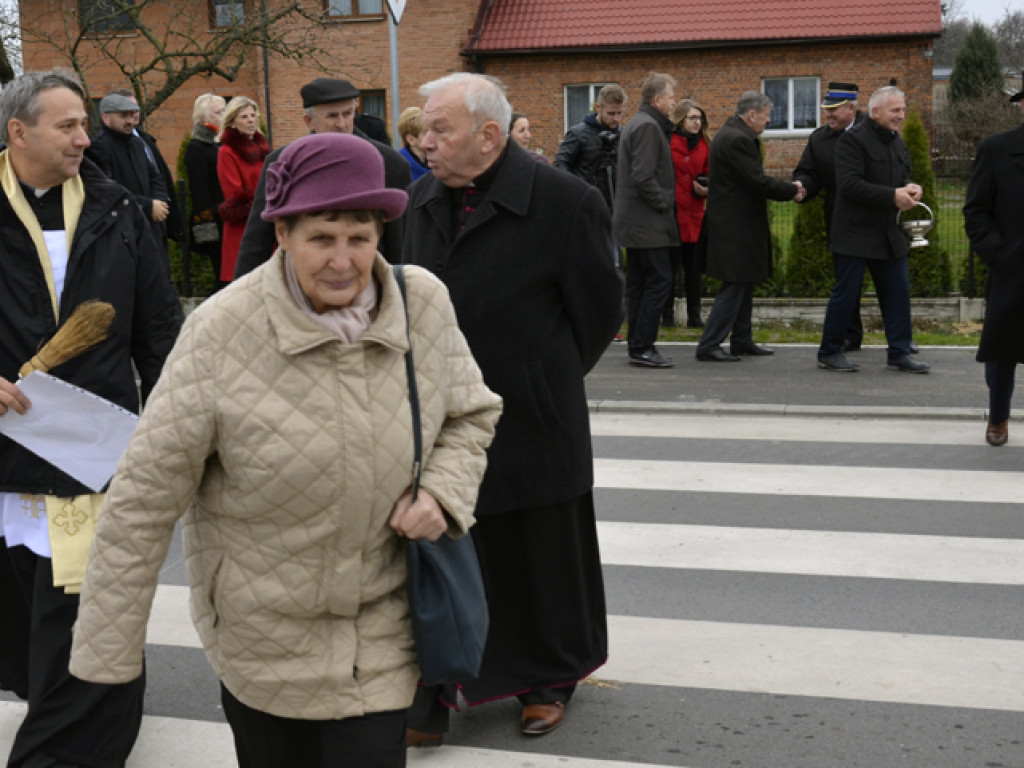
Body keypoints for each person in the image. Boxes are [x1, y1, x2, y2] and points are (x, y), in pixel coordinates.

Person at [68, 131, 502, 768]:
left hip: (383, 633)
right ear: (283, 237)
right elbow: (144, 498)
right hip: (264, 639)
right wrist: (108, 654)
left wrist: (441, 492)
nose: (342, 259)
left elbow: (472, 414)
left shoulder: (422, 304)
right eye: (321, 238)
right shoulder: (220, 331)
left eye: (360, 237)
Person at [402, 72, 622, 742]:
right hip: (440, 416)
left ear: (489, 136)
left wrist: (541, 373)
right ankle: (442, 682)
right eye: (423, 129)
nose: (424, 141)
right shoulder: (419, 200)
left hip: (532, 412)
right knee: (448, 551)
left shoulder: (566, 202)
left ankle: (548, 677)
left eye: (440, 129)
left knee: (540, 554)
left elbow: (599, 311)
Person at [0, 67, 182, 768]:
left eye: (85, 123)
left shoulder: (115, 208)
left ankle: (67, 748)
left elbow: (159, 326)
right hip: (8, 452)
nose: (85, 137)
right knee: (24, 614)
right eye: (68, 125)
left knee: (81, 612)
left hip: (89, 448)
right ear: (19, 133)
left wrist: (167, 425)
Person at [234, 78, 410, 276]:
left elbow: (399, 246)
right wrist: (240, 300)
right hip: (303, 286)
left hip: (367, 284)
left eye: (348, 113)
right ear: (309, 121)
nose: (342, 124)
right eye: (332, 116)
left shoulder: (390, 164)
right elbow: (257, 241)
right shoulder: (282, 163)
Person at [818, 85, 930, 374]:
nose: (901, 116)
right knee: (846, 294)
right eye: (896, 111)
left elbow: (903, 175)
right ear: (877, 111)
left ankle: (900, 352)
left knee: (897, 292)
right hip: (855, 232)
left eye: (903, 110)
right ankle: (830, 351)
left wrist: (911, 188)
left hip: (888, 232)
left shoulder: (896, 141)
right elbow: (850, 184)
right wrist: (892, 195)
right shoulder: (852, 141)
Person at [695, 91, 802, 362]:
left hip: (735, 222)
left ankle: (741, 340)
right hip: (735, 225)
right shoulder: (738, 140)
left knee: (743, 282)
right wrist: (792, 190)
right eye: (767, 115)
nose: (769, 121)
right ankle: (710, 343)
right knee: (735, 284)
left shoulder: (733, 134)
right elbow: (756, 181)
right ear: (752, 115)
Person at [962, 87, 1024, 446]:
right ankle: (998, 418)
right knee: (1002, 351)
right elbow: (975, 212)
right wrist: (999, 255)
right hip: (1012, 269)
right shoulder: (996, 150)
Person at [793, 82, 867, 351]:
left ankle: (900, 338)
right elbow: (809, 172)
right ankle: (851, 334)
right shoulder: (819, 138)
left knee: (889, 283)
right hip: (841, 220)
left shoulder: (873, 132)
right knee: (847, 282)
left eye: (834, 110)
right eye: (826, 110)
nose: (829, 116)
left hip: (877, 219)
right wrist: (802, 187)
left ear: (851, 108)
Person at [613, 72, 680, 368]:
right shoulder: (649, 127)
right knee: (659, 281)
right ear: (657, 99)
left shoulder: (639, 123)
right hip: (647, 222)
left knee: (640, 284)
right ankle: (643, 346)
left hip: (638, 221)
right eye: (671, 96)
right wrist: (664, 202)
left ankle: (638, 346)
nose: (674, 101)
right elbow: (643, 176)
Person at [85, 91, 171, 267]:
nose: (130, 121)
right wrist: (148, 206)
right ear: (106, 118)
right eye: (123, 116)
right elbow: (107, 191)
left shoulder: (138, 143)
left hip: (150, 227)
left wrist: (159, 201)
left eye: (132, 115)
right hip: (122, 231)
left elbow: (156, 177)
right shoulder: (98, 148)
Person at [217, 95, 271, 283]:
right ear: (232, 123)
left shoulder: (263, 147)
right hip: (244, 225)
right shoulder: (227, 152)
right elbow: (234, 194)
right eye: (244, 117)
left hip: (267, 220)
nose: (250, 120)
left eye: (252, 115)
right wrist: (263, 205)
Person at [667, 99, 709, 328]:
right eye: (693, 118)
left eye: (700, 118)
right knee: (669, 271)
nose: (697, 122)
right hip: (671, 215)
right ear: (681, 119)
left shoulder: (704, 144)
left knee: (694, 271)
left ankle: (695, 316)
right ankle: (667, 317)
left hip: (694, 214)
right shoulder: (668, 141)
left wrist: (707, 186)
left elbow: (711, 172)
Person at [554, 83, 626, 214]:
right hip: (585, 208)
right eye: (611, 113)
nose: (616, 118)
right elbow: (560, 164)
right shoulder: (578, 134)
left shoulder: (623, 135)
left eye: (619, 113)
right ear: (598, 108)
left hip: (616, 210)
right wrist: (576, 191)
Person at [183, 93, 227, 289]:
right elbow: (199, 191)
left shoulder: (223, 142)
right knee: (222, 273)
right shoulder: (197, 147)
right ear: (204, 117)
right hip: (216, 219)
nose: (224, 115)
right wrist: (208, 228)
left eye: (225, 110)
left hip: (229, 215)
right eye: (219, 112)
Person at [397, 106, 429, 181]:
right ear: (411, 140)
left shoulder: (438, 161)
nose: (432, 136)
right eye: (426, 132)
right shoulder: (399, 167)